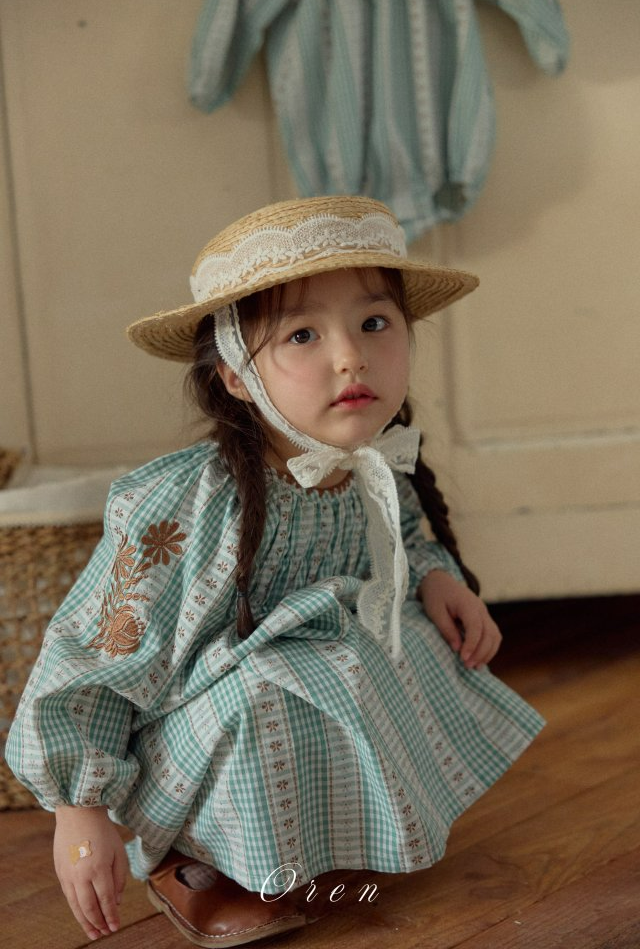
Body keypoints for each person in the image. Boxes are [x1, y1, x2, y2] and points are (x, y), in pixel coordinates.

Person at [7, 195, 544, 947]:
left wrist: (433, 575)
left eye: (375, 323)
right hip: (208, 725)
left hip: (320, 677)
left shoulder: (369, 465)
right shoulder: (186, 504)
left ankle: (328, 832)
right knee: (276, 687)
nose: (351, 357)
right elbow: (98, 652)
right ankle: (200, 859)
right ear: (235, 376)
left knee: (401, 641)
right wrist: (79, 809)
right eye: (302, 334)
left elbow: (401, 535)